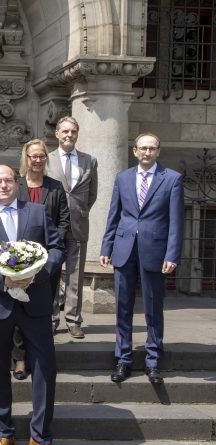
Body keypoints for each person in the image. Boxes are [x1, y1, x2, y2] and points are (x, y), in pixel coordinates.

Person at [0, 165, 66, 445]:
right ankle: (4, 432)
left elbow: (56, 248)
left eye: (9, 180)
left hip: (35, 302)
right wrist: (4, 280)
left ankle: (41, 437)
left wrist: (37, 273)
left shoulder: (36, 212)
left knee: (45, 368)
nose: (4, 186)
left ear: (17, 183)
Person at [100, 133, 184, 385]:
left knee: (153, 307)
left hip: (155, 251)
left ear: (158, 151)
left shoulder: (172, 179)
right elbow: (113, 215)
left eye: (152, 148)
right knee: (122, 308)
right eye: (142, 148)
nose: (147, 153)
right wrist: (106, 246)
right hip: (124, 249)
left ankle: (153, 360)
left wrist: (172, 254)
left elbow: (176, 222)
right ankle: (123, 359)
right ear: (134, 151)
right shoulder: (123, 178)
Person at [12, 139, 70, 379]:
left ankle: (39, 356)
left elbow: (64, 221)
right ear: (26, 158)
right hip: (19, 258)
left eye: (41, 156)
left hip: (47, 260)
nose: (37, 160)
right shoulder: (16, 186)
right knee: (18, 308)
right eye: (33, 156)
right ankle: (19, 359)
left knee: (43, 309)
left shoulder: (55, 187)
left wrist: (50, 250)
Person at [47, 116, 97, 338]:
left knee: (75, 274)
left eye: (73, 132)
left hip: (78, 223)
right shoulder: (46, 160)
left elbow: (92, 194)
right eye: (65, 131)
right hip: (52, 225)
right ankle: (50, 318)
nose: (69, 135)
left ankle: (73, 320)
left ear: (77, 134)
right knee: (50, 273)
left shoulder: (89, 161)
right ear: (57, 133)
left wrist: (80, 211)